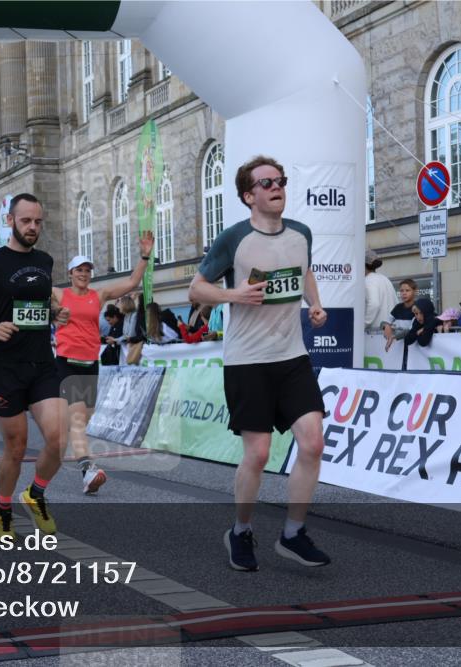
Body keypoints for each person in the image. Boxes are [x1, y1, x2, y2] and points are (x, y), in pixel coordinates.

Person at [188, 155, 330, 572]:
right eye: (266, 183)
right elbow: (196, 288)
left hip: (292, 356)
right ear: (249, 196)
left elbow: (304, 272)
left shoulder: (301, 233)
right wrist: (234, 296)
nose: (276, 187)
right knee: (258, 454)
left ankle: (293, 534)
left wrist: (315, 304)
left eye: (280, 180)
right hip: (247, 361)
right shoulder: (234, 238)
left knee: (313, 443)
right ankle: (241, 530)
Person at [0, 193, 71, 540]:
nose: (33, 227)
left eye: (37, 221)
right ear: (10, 221)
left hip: (41, 363)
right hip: (5, 367)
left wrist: (56, 313)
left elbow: (39, 305)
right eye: (26, 221)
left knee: (58, 437)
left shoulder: (46, 261)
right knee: (16, 447)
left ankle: (35, 494)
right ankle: (3, 508)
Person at [53, 231, 153, 494]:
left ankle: (76, 454)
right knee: (77, 420)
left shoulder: (98, 296)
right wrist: (54, 314)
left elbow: (132, 282)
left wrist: (144, 255)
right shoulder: (60, 295)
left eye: (87, 270)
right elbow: (34, 294)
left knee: (83, 420)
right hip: (66, 362)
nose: (84, 274)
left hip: (89, 363)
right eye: (79, 270)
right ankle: (88, 470)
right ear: (71, 273)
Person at [364, 249, 397, 333]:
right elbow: (396, 304)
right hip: (389, 330)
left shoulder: (368, 280)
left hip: (375, 332)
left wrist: (363, 324)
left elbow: (374, 304)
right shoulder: (385, 279)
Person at [383, 278, 418, 350]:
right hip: (399, 349)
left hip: (414, 347)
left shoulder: (419, 307)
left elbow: (411, 330)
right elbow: (385, 322)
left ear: (414, 292)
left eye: (407, 290)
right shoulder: (398, 307)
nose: (404, 293)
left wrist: (394, 336)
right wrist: (386, 325)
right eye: (401, 291)